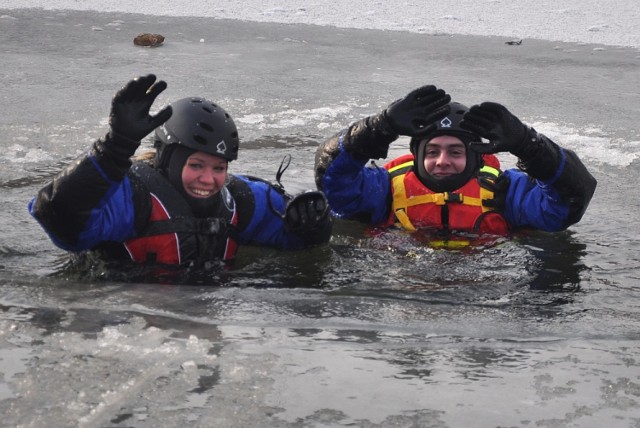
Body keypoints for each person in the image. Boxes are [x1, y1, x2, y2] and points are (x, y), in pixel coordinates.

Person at [29, 74, 332, 268]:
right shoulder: (132, 197)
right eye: (196, 165)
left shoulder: (240, 199)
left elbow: (295, 239)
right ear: (169, 160)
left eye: (219, 168)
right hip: (125, 315)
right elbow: (58, 217)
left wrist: (314, 226)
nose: (208, 179)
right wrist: (116, 147)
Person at [314, 85, 596, 244]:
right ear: (417, 154)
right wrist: (378, 127)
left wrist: (528, 144)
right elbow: (332, 179)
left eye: (455, 152)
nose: (442, 161)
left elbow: (571, 200)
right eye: (432, 151)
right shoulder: (384, 189)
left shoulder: (506, 192)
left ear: (474, 157)